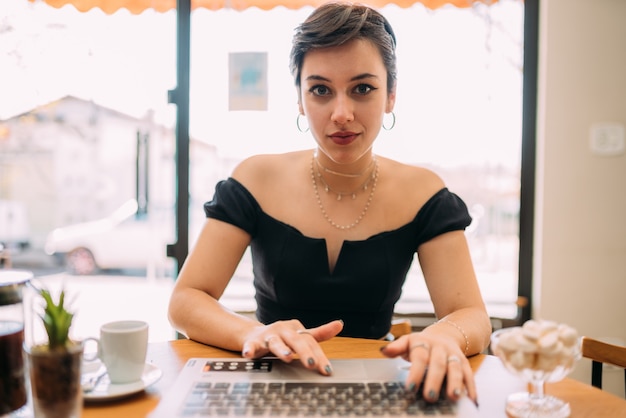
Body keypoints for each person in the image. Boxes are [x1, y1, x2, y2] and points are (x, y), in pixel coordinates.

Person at [168, 2, 491, 406]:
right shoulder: (255, 179)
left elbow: (473, 316)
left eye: (362, 88)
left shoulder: (424, 193)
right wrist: (250, 333)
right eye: (321, 90)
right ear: (300, 100)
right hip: (271, 378)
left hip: (378, 387)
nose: (342, 114)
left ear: (391, 95)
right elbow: (185, 299)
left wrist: (443, 335)